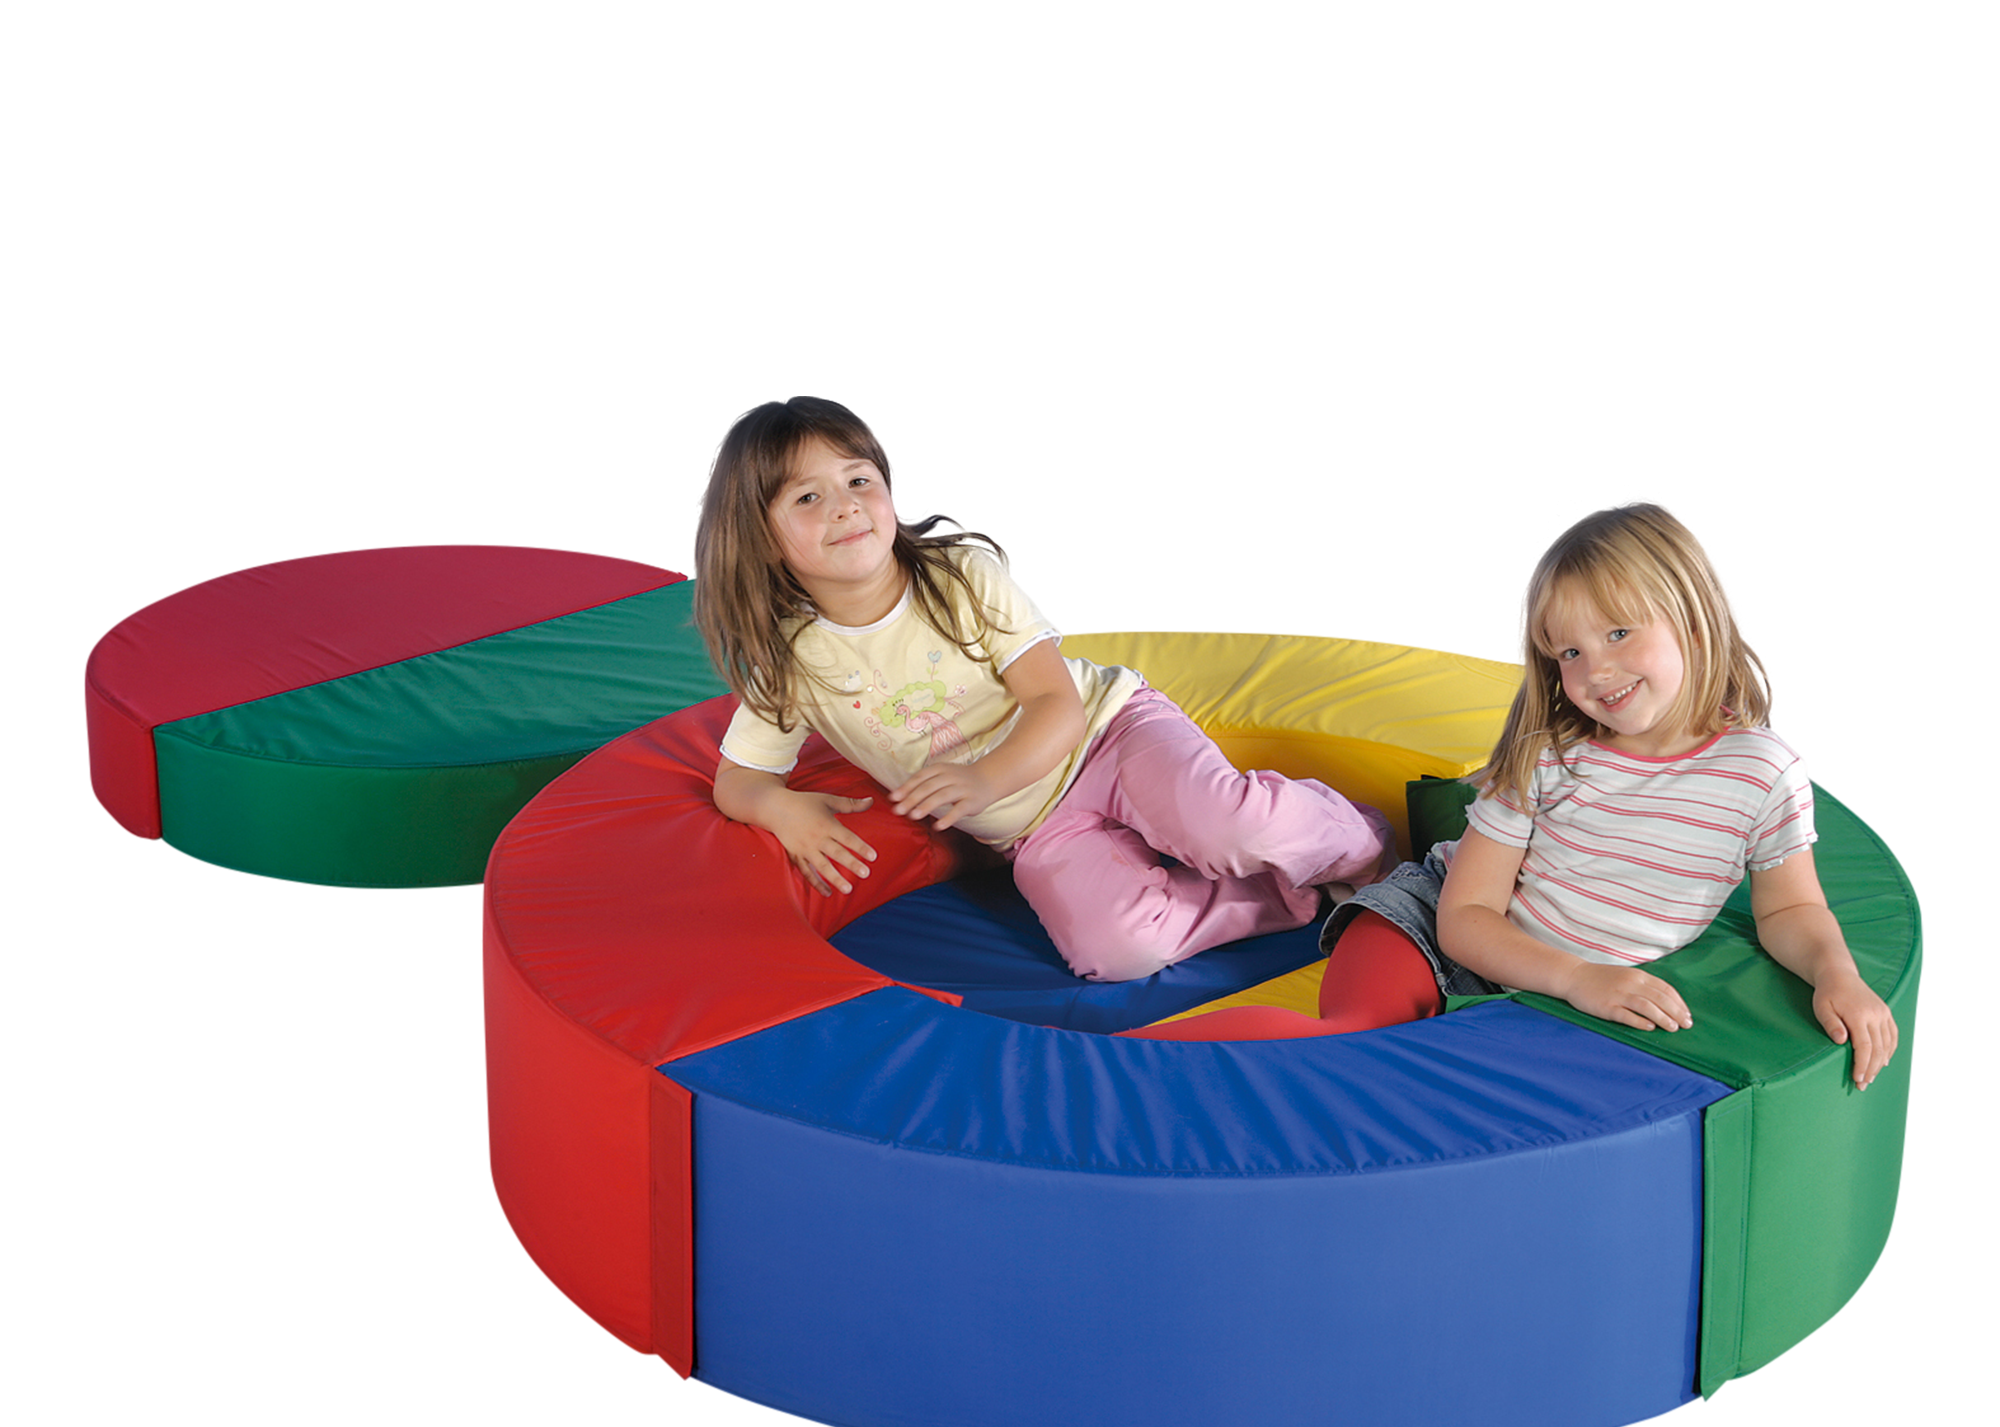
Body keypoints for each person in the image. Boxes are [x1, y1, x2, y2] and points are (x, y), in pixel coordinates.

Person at [1139, 496, 1899, 1091]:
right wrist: (1578, 977)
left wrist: (1837, 975)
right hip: (1429, 930)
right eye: (1569, 651)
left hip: (1549, 988)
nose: (1595, 670)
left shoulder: (1762, 773)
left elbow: (1790, 911)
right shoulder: (1551, 757)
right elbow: (1466, 917)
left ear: (1695, 621)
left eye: (1618, 634)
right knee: (1350, 1038)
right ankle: (1110, 1071)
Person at [692, 396, 1394, 983]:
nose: (846, 507)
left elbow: (1055, 704)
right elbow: (739, 778)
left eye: (858, 481)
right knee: (1117, 952)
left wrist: (983, 778)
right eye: (808, 497)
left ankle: (1357, 840)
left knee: (1226, 827)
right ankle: (1287, 896)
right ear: (762, 537)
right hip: (1031, 827)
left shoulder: (959, 577)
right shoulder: (790, 660)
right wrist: (781, 810)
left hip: (1108, 737)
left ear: (889, 489)